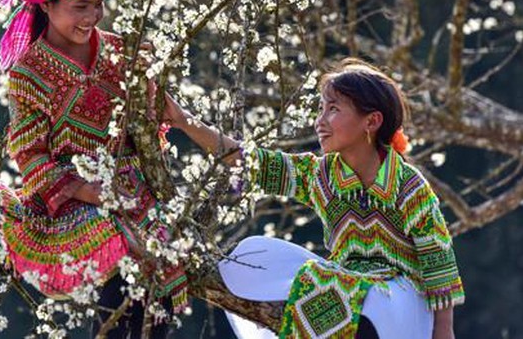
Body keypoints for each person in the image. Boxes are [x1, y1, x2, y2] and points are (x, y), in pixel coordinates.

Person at [164, 58, 464, 339]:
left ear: (371, 121)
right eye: (321, 109)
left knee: (355, 294)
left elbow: (438, 264)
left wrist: (443, 333)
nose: (320, 121)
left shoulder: (409, 186)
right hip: (346, 287)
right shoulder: (321, 175)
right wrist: (183, 120)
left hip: (402, 305)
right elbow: (251, 162)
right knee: (246, 257)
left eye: (333, 109)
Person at [0, 0, 187, 338]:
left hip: (136, 187)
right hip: (74, 198)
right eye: (79, 6)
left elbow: (148, 124)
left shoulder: (120, 50)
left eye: (98, 4)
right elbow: (30, 157)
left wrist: (151, 90)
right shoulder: (28, 75)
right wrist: (90, 191)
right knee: (118, 276)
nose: (91, 16)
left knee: (161, 289)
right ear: (46, 4)